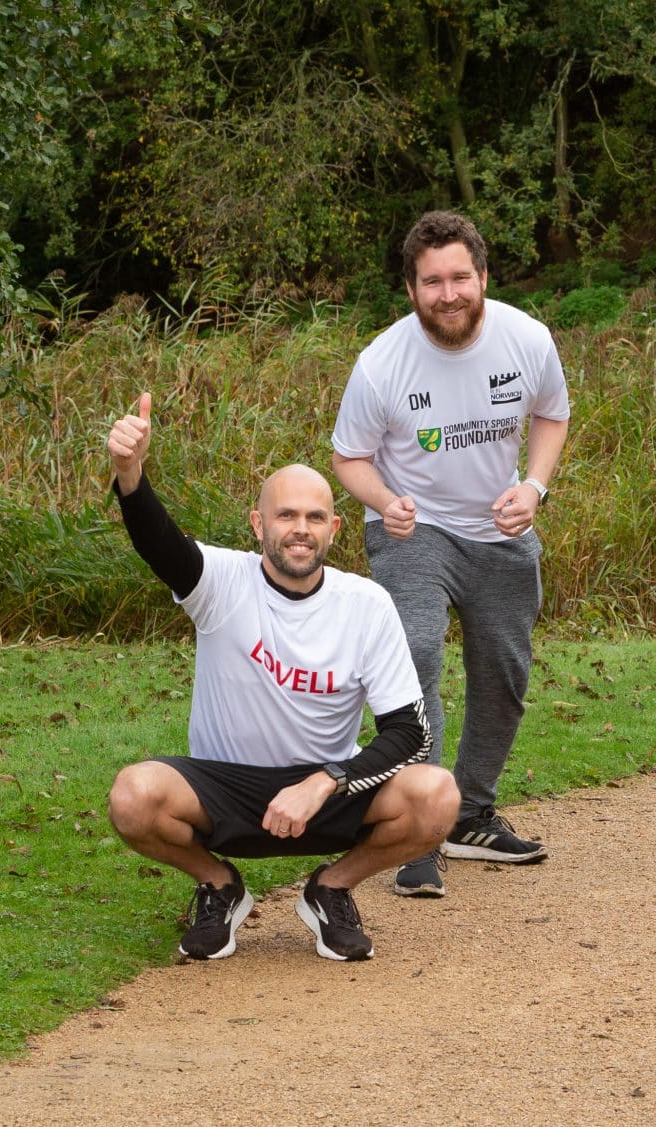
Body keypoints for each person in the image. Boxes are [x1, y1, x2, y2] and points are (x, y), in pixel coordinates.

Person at [103, 393, 459, 961]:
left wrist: (324, 782)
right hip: (225, 788)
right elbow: (159, 544)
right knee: (132, 796)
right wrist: (130, 473)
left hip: (326, 794)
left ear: (334, 528)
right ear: (258, 523)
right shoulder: (220, 582)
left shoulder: (365, 603)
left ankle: (332, 890)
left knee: (437, 795)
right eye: (286, 515)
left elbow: (408, 734)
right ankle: (219, 886)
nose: (300, 529)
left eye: (315, 517)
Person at [330, 210, 570, 899]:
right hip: (414, 531)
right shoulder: (382, 363)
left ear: (483, 277)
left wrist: (535, 485)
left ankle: (470, 813)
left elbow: (553, 413)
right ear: (411, 289)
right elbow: (349, 456)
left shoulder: (527, 339)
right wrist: (385, 497)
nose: (448, 292)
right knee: (414, 649)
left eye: (460, 276)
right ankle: (416, 828)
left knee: (503, 667)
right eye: (432, 281)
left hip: (501, 530)